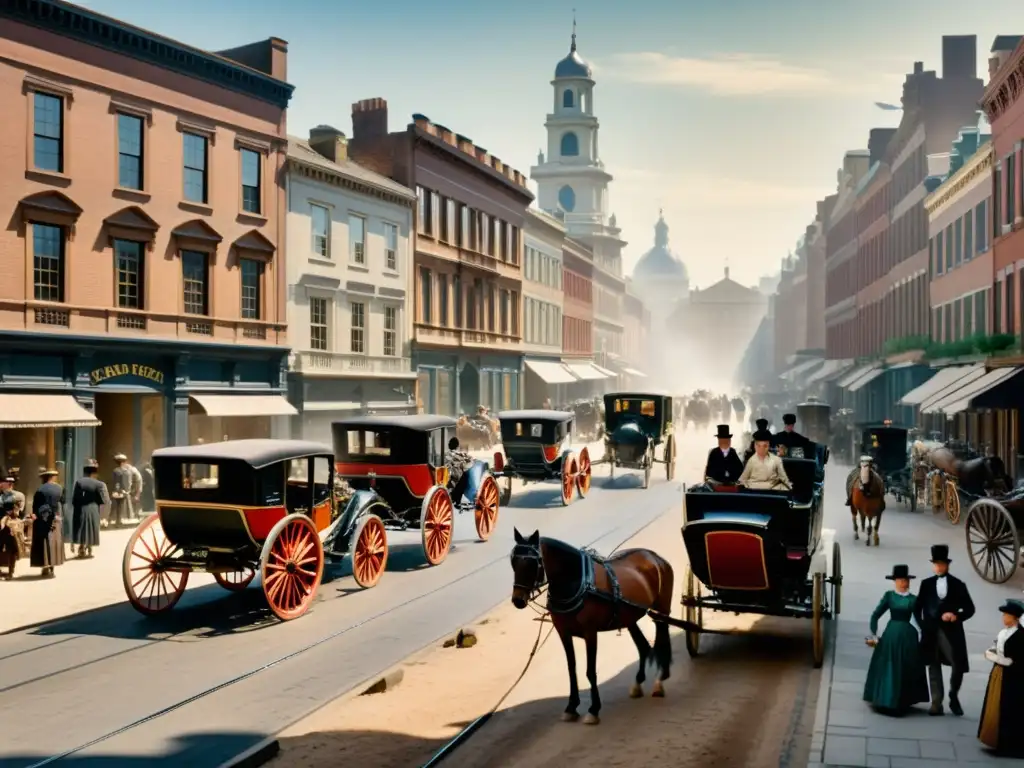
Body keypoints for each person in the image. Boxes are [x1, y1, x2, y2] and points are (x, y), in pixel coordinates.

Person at [913, 544, 975, 716]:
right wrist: (923, 625)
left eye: (942, 564)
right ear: (933, 565)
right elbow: (917, 608)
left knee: (958, 665)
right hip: (931, 631)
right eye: (936, 564)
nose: (939, 567)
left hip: (952, 632)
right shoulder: (926, 584)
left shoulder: (958, 585)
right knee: (933, 665)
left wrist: (956, 615)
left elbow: (970, 608)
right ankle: (936, 702)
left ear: (947, 565)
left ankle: (953, 695)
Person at [863, 564, 930, 714]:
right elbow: (875, 615)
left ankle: (901, 701)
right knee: (889, 665)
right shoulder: (889, 596)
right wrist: (874, 634)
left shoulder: (914, 599)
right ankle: (885, 699)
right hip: (891, 636)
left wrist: (925, 635)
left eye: (905, 580)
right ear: (895, 581)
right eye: (900, 580)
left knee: (904, 667)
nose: (903, 583)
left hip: (907, 636)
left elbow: (919, 619)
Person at [978, 599, 1024, 755]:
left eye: (1007, 615)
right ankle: (995, 739)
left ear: (1015, 617)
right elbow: (997, 646)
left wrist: (1000, 659)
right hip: (999, 673)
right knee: (995, 704)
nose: (1004, 618)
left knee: (1009, 707)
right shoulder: (1003, 632)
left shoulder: (1020, 636)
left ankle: (1008, 745)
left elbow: (1016, 660)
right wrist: (993, 654)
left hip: (1013, 678)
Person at [71, 461, 110, 559]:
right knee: (92, 528)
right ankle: (89, 547)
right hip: (93, 508)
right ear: (94, 473)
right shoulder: (99, 484)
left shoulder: (79, 482)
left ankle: (81, 547)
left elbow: (75, 499)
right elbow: (105, 500)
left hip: (81, 508)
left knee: (82, 528)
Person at [30, 468, 64, 578]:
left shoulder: (40, 490)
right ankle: (52, 567)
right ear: (53, 477)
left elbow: (36, 507)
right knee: (53, 542)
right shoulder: (59, 489)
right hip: (55, 518)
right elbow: (62, 502)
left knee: (44, 543)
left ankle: (45, 566)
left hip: (42, 519)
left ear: (44, 478)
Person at [0, 496, 26, 579]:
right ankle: (10, 572)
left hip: (11, 534)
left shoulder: (15, 516)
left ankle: (11, 572)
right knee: (10, 552)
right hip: (6, 533)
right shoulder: (6, 517)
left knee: (11, 552)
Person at [445, 436, 474, 504]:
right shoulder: (461, 455)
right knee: (466, 474)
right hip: (456, 483)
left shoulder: (444, 454)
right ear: (457, 446)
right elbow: (470, 462)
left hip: (445, 480)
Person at [110, 453, 134, 527]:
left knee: (115, 506)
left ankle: (115, 520)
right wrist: (127, 490)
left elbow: (115, 482)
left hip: (118, 491)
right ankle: (119, 520)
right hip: (125, 491)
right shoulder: (128, 471)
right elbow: (129, 482)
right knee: (122, 506)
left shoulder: (116, 471)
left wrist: (116, 490)